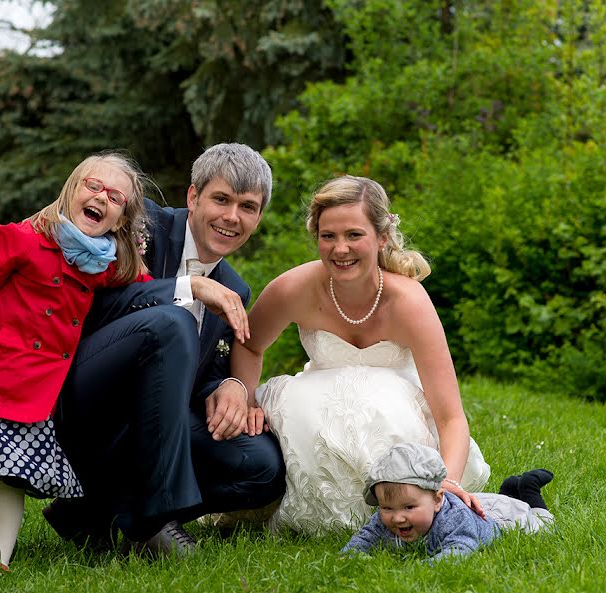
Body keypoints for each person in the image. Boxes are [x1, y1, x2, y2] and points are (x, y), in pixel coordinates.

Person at [43, 143, 286, 558]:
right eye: (221, 199)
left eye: (247, 207)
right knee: (171, 322)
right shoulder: (139, 222)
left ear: (258, 217)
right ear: (193, 197)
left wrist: (227, 383)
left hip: (150, 420)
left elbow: (192, 370)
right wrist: (187, 288)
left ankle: (97, 510)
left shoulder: (236, 289)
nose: (232, 217)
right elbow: (86, 303)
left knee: (261, 466)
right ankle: (154, 520)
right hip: (80, 394)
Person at [0, 152, 152, 571]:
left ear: (119, 221)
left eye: (115, 197)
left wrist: (179, 290)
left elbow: (141, 288)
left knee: (13, 474)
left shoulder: (103, 264)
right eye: (93, 186)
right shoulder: (25, 238)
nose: (101, 196)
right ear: (71, 191)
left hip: (36, 389)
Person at [232, 175, 490, 532]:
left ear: (381, 236)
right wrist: (244, 396)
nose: (340, 249)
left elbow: (450, 417)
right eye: (328, 236)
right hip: (314, 411)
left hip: (393, 418)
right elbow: (249, 343)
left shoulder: (409, 302)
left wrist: (448, 482)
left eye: (354, 235)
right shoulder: (294, 287)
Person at [341, 443, 554, 561]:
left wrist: (427, 566)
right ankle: (508, 489)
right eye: (387, 507)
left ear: (437, 500)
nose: (397, 517)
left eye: (408, 507)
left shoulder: (455, 520)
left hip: (497, 520)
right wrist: (352, 555)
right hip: (471, 507)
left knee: (542, 526)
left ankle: (529, 490)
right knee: (502, 500)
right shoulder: (387, 516)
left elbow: (461, 547)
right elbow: (365, 537)